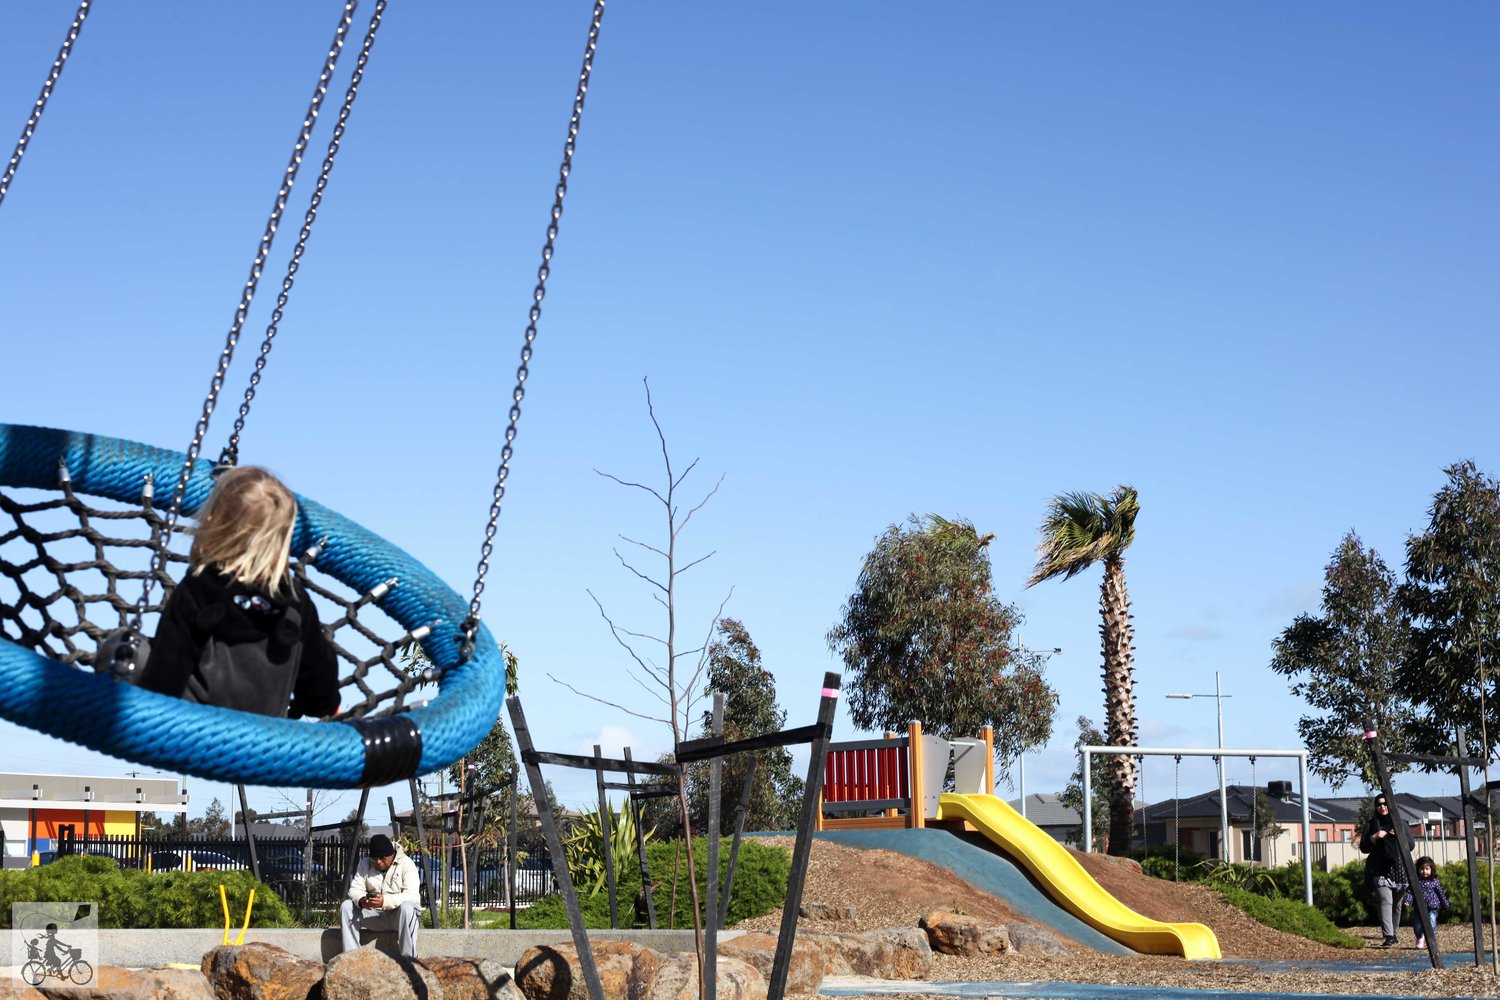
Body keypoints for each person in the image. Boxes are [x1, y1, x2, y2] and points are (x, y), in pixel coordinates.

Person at [137, 466, 339, 719]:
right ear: (283, 537)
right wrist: (317, 707)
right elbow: (319, 685)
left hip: (193, 735)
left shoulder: (199, 589)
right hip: (261, 745)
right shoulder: (296, 603)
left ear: (213, 522)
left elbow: (166, 672)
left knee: (130, 651)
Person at [340, 834, 421, 958]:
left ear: (392, 855)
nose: (378, 862)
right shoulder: (364, 864)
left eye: (382, 858)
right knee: (347, 906)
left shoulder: (406, 864)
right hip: (374, 915)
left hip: (397, 917)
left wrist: (385, 901)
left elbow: (412, 895)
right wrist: (362, 901)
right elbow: (355, 889)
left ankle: (409, 960)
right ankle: (352, 958)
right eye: (374, 858)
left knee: (409, 907)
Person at [1360, 793, 1409, 947]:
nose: (1382, 807)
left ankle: (1394, 933)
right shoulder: (1371, 824)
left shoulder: (1400, 823)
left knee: (1397, 904)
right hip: (1380, 870)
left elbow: (1411, 846)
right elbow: (1364, 847)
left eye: (1385, 804)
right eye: (1379, 804)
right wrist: (1374, 837)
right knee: (1385, 901)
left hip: (1399, 869)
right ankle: (1388, 935)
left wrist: (1399, 836)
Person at [1403, 855, 1450, 950]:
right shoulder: (1416, 882)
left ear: (1431, 869)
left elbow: (1441, 893)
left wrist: (1445, 904)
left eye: (1427, 869)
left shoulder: (1434, 881)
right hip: (1418, 907)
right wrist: (1408, 900)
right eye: (1422, 869)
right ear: (1418, 870)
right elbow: (1410, 891)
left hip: (1432, 906)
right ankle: (1420, 938)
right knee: (1417, 925)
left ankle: (1430, 939)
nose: (1424, 871)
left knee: (1431, 922)